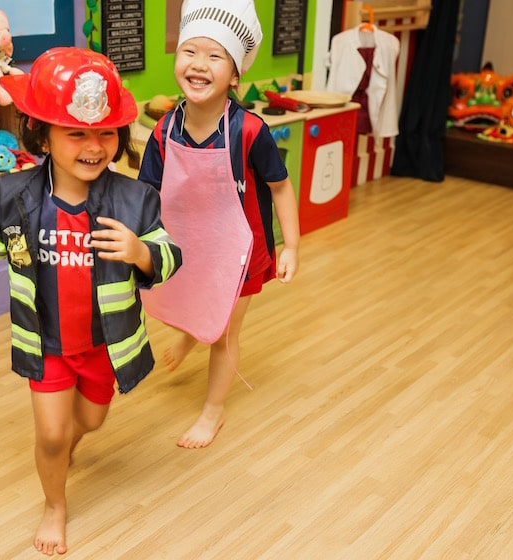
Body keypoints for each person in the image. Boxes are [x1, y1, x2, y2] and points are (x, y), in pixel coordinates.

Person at [0, 47, 181, 556]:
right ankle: (55, 504)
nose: (93, 146)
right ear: (41, 133)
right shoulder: (14, 197)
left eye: (105, 133)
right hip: (47, 344)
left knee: (90, 423)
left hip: (106, 346)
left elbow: (171, 254)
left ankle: (68, 445)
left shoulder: (135, 200)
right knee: (52, 435)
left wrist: (142, 252)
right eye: (76, 132)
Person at [138, 0, 300, 449]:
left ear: (234, 75)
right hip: (188, 243)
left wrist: (292, 248)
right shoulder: (163, 131)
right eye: (190, 51)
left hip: (241, 249)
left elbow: (282, 188)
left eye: (214, 56)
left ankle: (213, 410)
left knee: (227, 331)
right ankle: (193, 332)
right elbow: (146, 195)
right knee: (195, 299)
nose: (199, 64)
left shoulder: (250, 131)